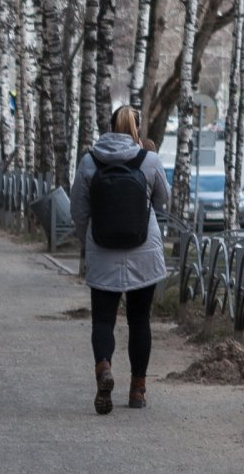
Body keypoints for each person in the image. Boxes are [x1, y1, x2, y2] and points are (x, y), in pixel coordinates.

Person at [69, 104, 169, 414]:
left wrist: (89, 240)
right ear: (137, 129)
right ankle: (137, 389)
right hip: (144, 254)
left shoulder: (89, 161)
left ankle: (103, 368)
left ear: (110, 128)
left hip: (103, 251)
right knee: (140, 320)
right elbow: (163, 202)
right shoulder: (149, 160)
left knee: (103, 320)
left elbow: (78, 211)